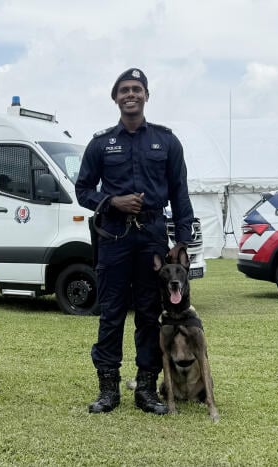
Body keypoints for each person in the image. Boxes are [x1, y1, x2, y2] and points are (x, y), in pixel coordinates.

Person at [75, 68, 194, 415]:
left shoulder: (166, 141)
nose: (131, 94)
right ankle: (108, 389)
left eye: (137, 89)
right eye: (124, 90)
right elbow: (82, 190)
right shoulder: (100, 143)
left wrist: (182, 240)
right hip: (113, 236)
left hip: (152, 236)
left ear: (146, 96)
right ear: (115, 98)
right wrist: (112, 201)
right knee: (111, 313)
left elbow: (180, 192)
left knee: (148, 313)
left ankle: (146, 389)